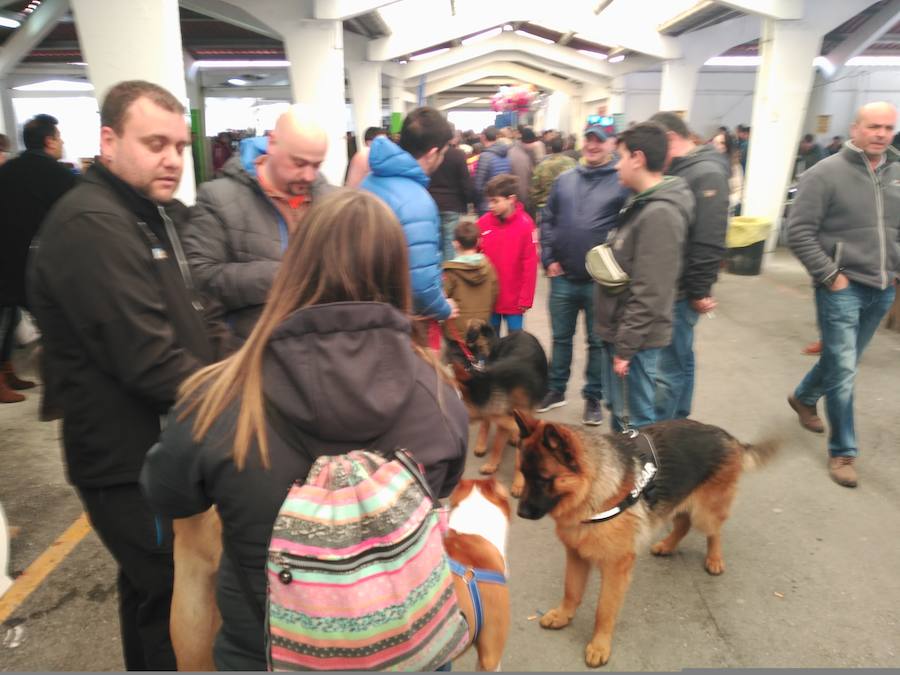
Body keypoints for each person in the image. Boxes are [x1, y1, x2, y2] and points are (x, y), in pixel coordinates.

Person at [140, 189, 468, 670]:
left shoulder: (223, 396)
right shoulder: (439, 398)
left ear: (293, 267)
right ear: (398, 274)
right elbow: (445, 486)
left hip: (262, 655)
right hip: (405, 653)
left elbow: (165, 491)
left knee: (192, 551)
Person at [28, 80, 235, 671]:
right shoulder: (92, 224)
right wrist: (239, 398)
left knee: (150, 594)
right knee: (175, 591)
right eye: (154, 143)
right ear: (109, 141)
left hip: (158, 446)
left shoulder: (153, 214)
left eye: (178, 144)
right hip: (129, 461)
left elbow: (201, 312)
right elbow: (149, 359)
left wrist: (235, 363)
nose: (171, 157)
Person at [787, 101, 900, 489]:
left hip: (883, 288)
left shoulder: (897, 173)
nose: (881, 134)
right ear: (855, 128)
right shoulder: (825, 173)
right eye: (873, 126)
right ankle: (844, 451)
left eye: (887, 127)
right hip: (842, 288)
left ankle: (803, 397)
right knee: (845, 369)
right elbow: (798, 231)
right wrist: (831, 276)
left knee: (842, 361)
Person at [182, 105, 333, 338]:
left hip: (322, 345)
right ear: (272, 143)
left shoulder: (329, 199)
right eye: (299, 163)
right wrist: (285, 275)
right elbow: (200, 278)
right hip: (254, 351)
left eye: (316, 165)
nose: (309, 176)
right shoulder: (218, 198)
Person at [594, 122, 693, 431]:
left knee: (632, 423)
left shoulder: (659, 214)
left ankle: (641, 479)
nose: (616, 167)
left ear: (638, 158)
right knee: (622, 414)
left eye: (620, 157)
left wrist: (626, 348)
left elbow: (651, 292)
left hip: (634, 339)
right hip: (623, 331)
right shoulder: (642, 204)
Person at [538, 124, 630, 425]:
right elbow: (548, 219)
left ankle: (593, 397)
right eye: (588, 140)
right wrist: (549, 258)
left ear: (612, 144)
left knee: (597, 341)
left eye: (599, 141)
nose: (592, 146)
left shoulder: (621, 182)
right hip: (562, 276)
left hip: (599, 282)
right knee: (561, 338)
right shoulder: (565, 180)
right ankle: (556, 389)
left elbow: (630, 228)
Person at [649, 112, 730, 421]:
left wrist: (698, 290)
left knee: (666, 369)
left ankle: (660, 440)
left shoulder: (705, 174)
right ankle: (679, 420)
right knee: (681, 359)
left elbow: (709, 240)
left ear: (670, 138)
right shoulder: (684, 170)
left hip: (681, 290)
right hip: (675, 286)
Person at [362, 106, 458, 351]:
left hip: (365, 316)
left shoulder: (367, 182)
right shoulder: (417, 201)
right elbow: (421, 285)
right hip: (397, 325)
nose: (444, 158)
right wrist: (444, 308)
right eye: (444, 152)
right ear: (433, 153)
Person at [0, 114, 77, 403]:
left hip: (6, 259)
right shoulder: (58, 175)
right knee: (52, 326)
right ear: (49, 141)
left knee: (6, 318)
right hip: (39, 262)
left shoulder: (8, 170)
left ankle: (7, 373)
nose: (62, 143)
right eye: (59, 137)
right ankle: (56, 389)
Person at [477, 174, 538, 335]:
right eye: (489, 200)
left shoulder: (526, 225)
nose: (490, 205)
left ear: (511, 199)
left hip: (514, 301)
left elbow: (530, 263)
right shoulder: (482, 223)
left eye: (495, 201)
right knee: (490, 343)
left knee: (515, 343)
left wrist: (526, 298)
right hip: (490, 299)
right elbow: (474, 256)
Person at [442, 219, 498, 340]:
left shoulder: (450, 271)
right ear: (478, 241)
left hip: (456, 333)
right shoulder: (488, 267)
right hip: (480, 328)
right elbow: (494, 293)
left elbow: (442, 298)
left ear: (455, 243)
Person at [428, 130, 475, 260]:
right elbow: (465, 181)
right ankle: (448, 274)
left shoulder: (430, 155)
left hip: (431, 202)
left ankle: (435, 270)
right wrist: (468, 201)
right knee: (449, 242)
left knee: (433, 240)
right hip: (452, 205)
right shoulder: (458, 155)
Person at [529, 134, 576, 219]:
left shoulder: (541, 166)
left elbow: (534, 191)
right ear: (564, 147)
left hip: (545, 207)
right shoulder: (573, 163)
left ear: (550, 148)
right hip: (566, 207)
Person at [473, 125, 511, 214]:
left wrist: (476, 202)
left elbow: (478, 185)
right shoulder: (505, 153)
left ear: (484, 137)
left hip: (488, 204)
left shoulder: (485, 156)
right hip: (502, 202)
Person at [711, 129, 744, 214]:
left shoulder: (735, 167)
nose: (717, 146)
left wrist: (725, 203)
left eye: (721, 143)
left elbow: (739, 192)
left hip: (725, 211)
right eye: (714, 143)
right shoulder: (707, 164)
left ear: (727, 146)